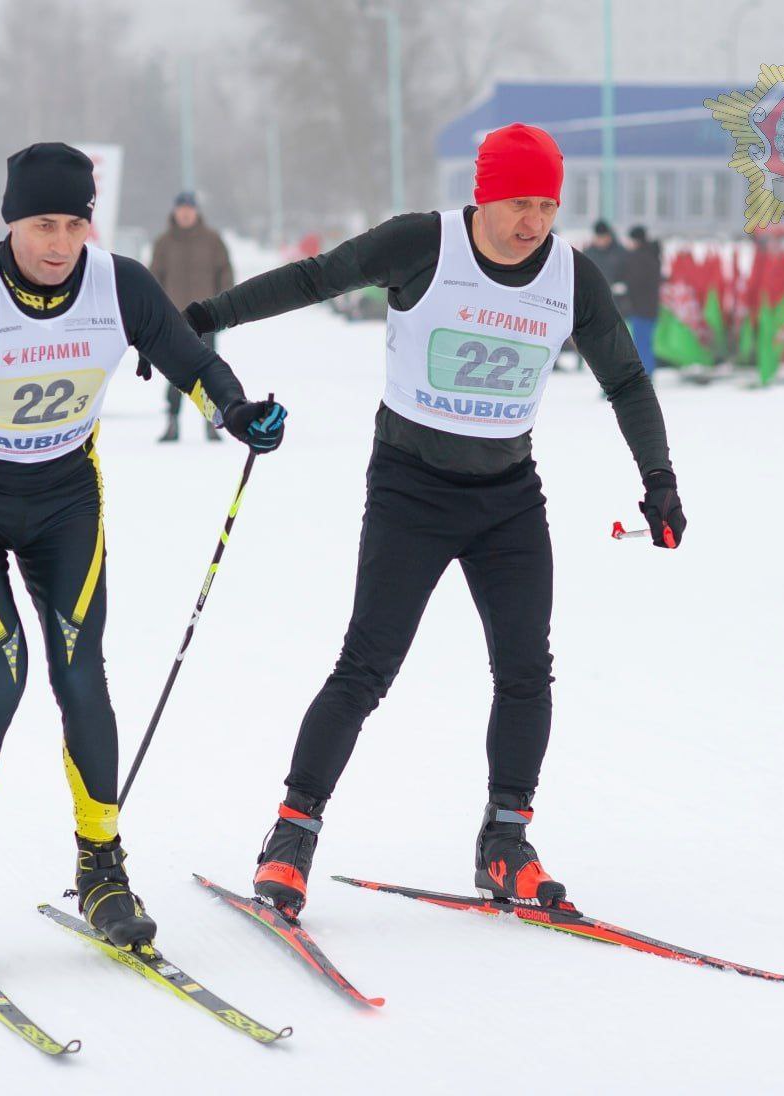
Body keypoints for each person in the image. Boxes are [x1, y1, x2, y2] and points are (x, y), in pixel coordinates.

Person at [183, 123, 686, 921]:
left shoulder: (571, 276)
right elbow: (317, 277)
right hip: (410, 490)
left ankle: (506, 839)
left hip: (508, 497)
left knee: (526, 671)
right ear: (485, 197)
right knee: (365, 669)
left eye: (548, 206)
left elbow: (625, 379)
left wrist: (658, 479)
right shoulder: (424, 245)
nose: (534, 222)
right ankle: (292, 834)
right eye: (520, 204)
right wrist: (208, 315)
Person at [0, 142, 288, 966]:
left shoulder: (118, 284)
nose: (59, 243)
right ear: (10, 223)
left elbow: (192, 362)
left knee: (82, 672)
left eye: (74, 224)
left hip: (65, 499)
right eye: (42, 225)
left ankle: (101, 868)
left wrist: (237, 413)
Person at [144, 192, 235, 442]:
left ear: (196, 211)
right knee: (175, 373)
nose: (185, 213)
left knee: (210, 373)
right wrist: (155, 313)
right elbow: (153, 279)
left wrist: (225, 308)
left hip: (207, 318)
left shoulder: (213, 240)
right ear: (175, 212)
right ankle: (172, 422)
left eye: (189, 209)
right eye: (181, 209)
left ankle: (213, 423)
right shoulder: (163, 242)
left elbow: (225, 273)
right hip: (174, 321)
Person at [624, 225, 662, 378]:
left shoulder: (639, 258)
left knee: (641, 344)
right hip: (650, 307)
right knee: (646, 343)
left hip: (641, 308)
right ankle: (647, 373)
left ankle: (645, 375)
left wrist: (625, 289)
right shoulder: (652, 255)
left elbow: (636, 282)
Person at [586, 219, 629, 316]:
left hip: (617, 303)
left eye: (603, 237)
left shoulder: (621, 253)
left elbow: (630, 274)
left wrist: (622, 285)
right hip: (594, 303)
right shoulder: (588, 253)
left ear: (609, 236)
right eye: (598, 237)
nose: (601, 241)